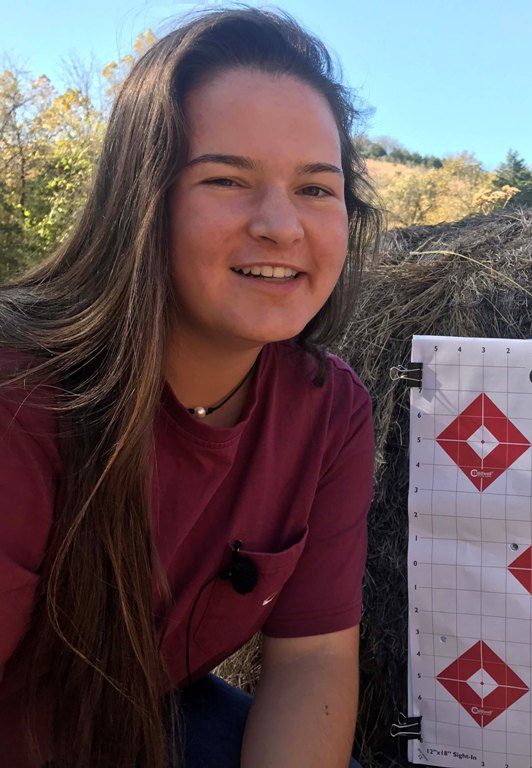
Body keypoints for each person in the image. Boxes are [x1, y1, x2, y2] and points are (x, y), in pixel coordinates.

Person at [0, 8, 382, 767]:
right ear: (143, 201)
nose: (281, 226)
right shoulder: (19, 394)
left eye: (316, 188)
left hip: (149, 714)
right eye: (227, 179)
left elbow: (311, 663)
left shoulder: (329, 411)